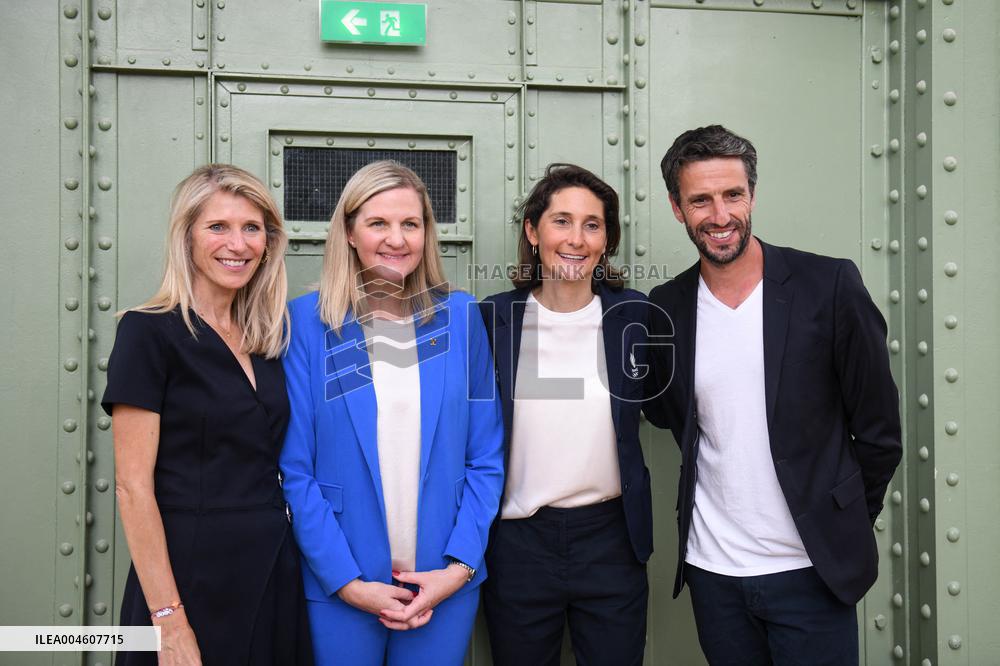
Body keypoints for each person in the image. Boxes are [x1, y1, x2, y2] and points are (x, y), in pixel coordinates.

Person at [644, 125, 902, 665]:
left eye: (733, 195)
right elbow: (673, 416)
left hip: (810, 571)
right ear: (676, 207)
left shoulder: (827, 286)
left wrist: (842, 516)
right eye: (700, 200)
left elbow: (879, 432)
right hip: (714, 573)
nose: (720, 215)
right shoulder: (667, 305)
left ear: (752, 195)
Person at [279, 160, 504, 665]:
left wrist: (457, 569)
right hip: (340, 582)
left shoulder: (461, 317)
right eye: (378, 223)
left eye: (411, 223)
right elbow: (295, 471)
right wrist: (349, 583)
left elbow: (486, 457)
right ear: (350, 232)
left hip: (443, 582)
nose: (396, 239)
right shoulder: (307, 325)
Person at [103, 164, 312, 665]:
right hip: (187, 575)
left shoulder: (271, 337)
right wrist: (169, 619)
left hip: (271, 567)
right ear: (188, 237)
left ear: (268, 242)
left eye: (251, 228)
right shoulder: (147, 333)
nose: (236, 244)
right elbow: (133, 488)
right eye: (218, 227)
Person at [480, 163, 653, 666]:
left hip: (612, 542)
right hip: (518, 544)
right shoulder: (493, 319)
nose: (576, 239)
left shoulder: (635, 317)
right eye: (561, 221)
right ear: (534, 232)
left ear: (606, 240)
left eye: (592, 224)